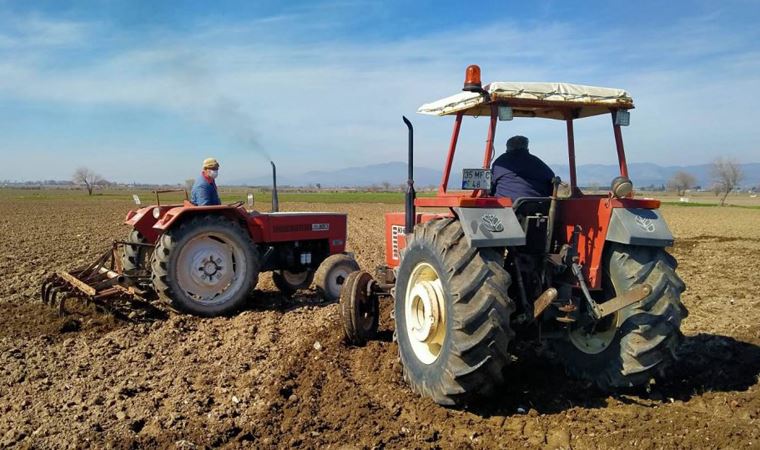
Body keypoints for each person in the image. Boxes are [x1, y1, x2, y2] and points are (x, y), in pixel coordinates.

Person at [491, 135, 555, 199]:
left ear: (507, 148)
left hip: (506, 205)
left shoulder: (500, 162)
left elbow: (491, 185)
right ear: (527, 148)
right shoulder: (537, 162)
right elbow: (552, 181)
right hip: (537, 205)